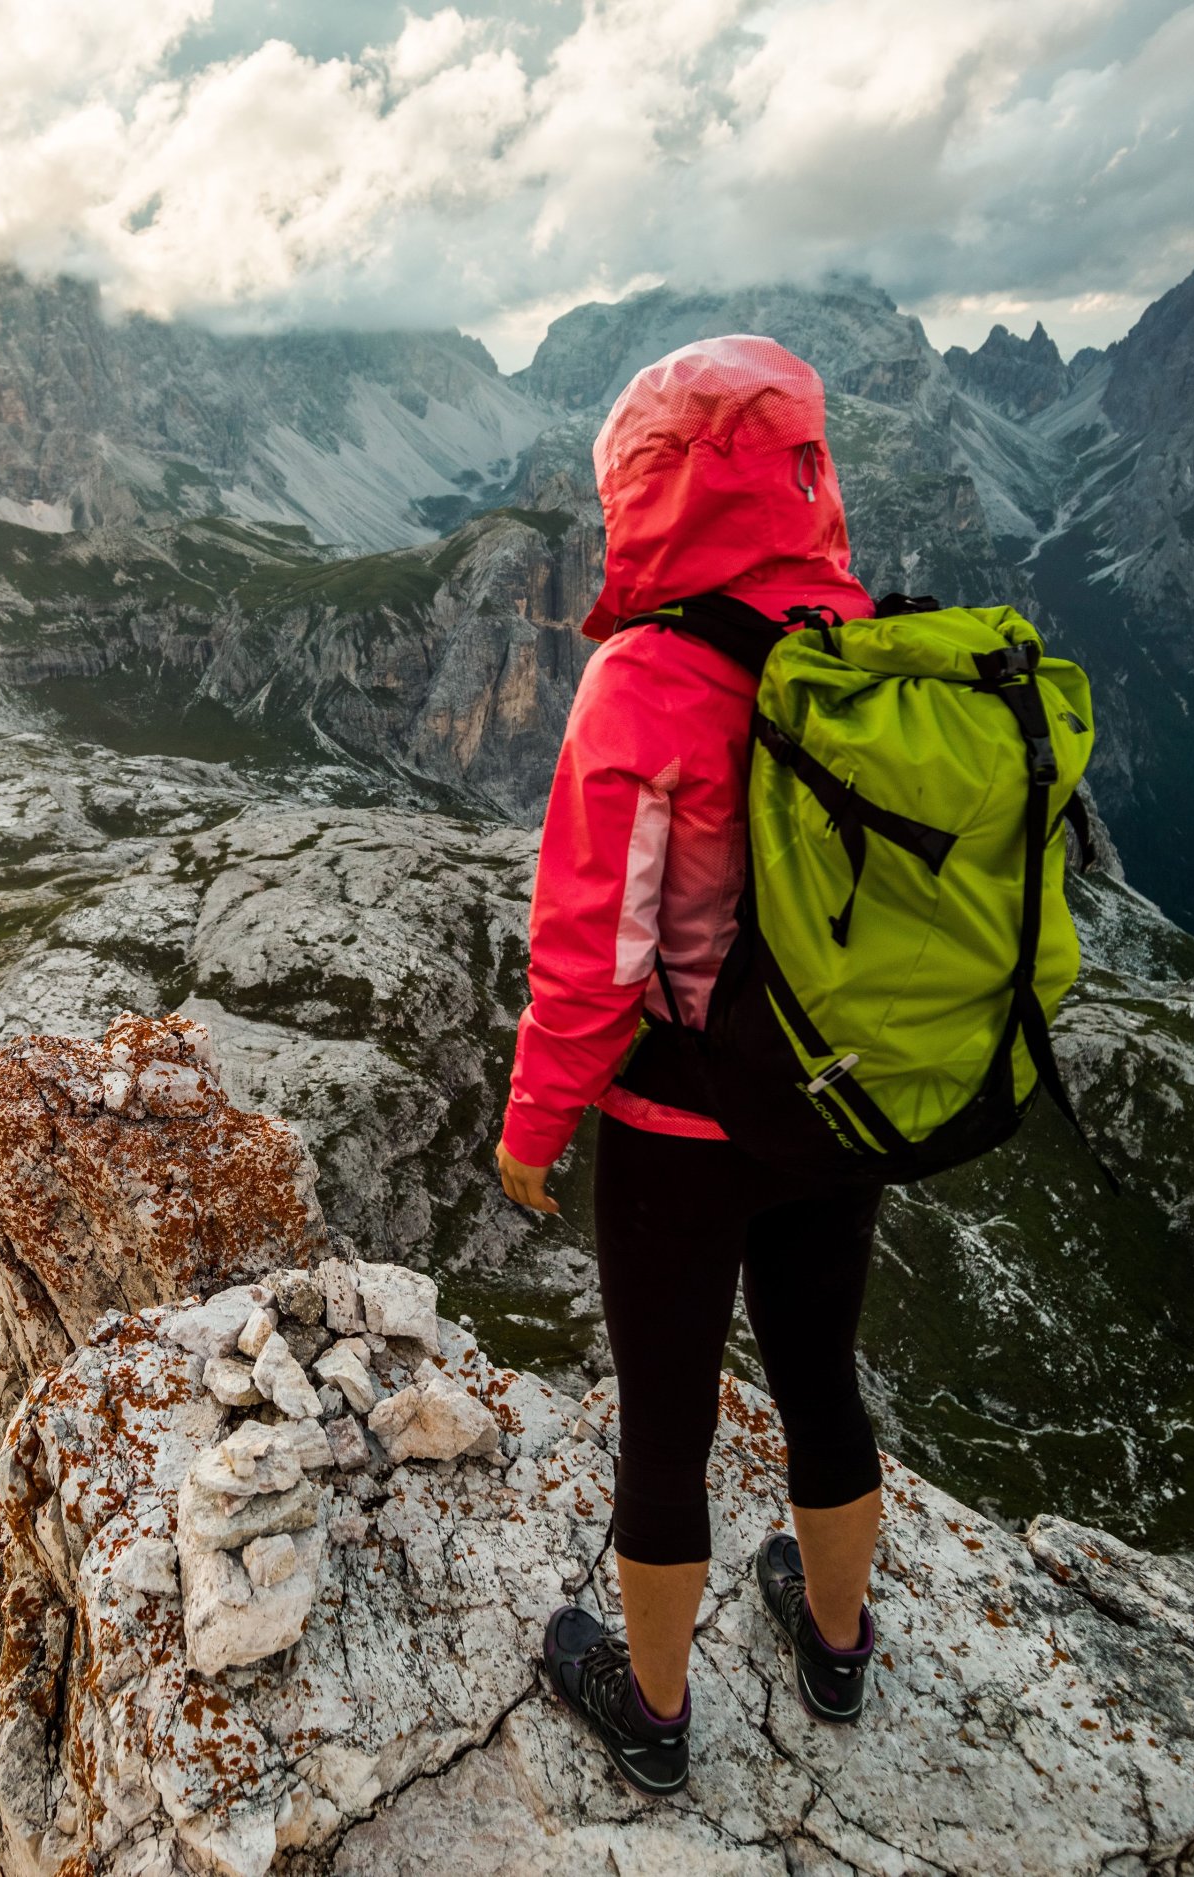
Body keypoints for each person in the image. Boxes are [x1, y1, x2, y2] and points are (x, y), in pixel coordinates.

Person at [496, 334, 884, 1796]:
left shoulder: (647, 674)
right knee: (818, 1373)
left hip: (679, 1119)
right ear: (802, 470)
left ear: (647, 488)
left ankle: (650, 1712)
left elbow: (596, 946)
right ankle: (835, 1639)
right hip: (837, 1098)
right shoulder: (861, 639)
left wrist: (535, 1121)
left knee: (666, 1415)